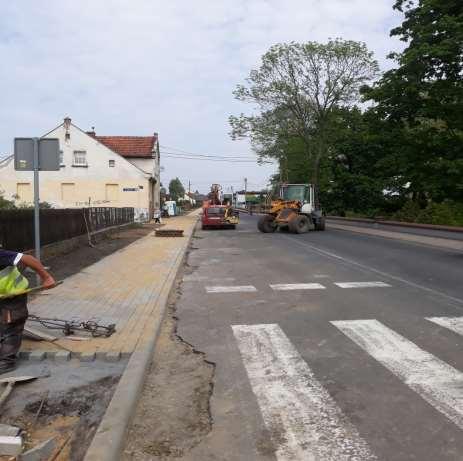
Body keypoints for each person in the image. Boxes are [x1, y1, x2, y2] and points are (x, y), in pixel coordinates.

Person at [0, 250, 55, 374]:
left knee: (11, 325)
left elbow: (27, 258)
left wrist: (46, 277)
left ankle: (6, 362)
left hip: (14, 294)